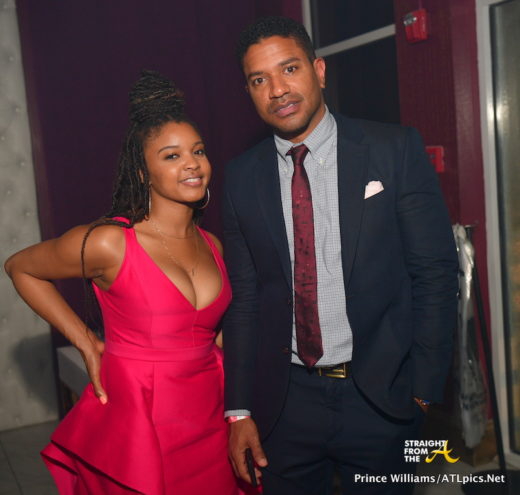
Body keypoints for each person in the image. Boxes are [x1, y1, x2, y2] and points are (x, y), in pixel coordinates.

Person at [222, 16, 459, 495]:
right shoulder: (240, 177)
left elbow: (434, 272)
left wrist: (425, 389)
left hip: (381, 397)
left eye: (289, 69)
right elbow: (245, 299)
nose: (278, 90)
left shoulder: (393, 150)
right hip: (285, 404)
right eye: (259, 80)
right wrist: (240, 409)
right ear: (248, 92)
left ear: (319, 70)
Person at [5, 71, 242, 494]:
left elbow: (212, 335)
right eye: (171, 156)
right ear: (142, 171)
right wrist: (84, 340)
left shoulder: (213, 246)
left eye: (198, 151)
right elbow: (20, 267)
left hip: (212, 417)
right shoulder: (111, 242)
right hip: (142, 422)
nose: (192, 163)